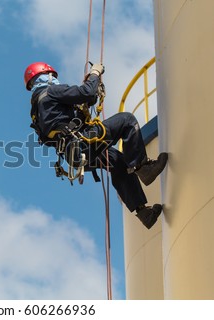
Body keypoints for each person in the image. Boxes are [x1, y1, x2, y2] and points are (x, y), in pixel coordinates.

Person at [24, 61, 168, 229]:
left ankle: (143, 213)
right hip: (82, 143)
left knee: (117, 162)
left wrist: (86, 97)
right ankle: (143, 167)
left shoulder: (36, 110)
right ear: (46, 76)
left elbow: (85, 100)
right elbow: (87, 92)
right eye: (52, 77)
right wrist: (95, 74)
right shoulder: (52, 91)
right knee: (127, 120)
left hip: (74, 156)